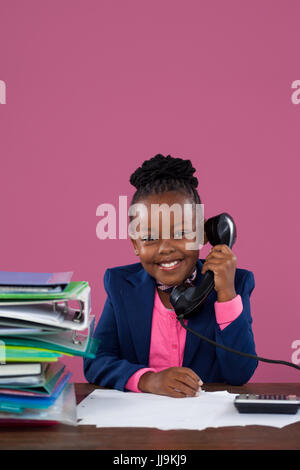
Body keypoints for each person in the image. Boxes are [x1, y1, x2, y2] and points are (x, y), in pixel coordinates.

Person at [84, 154, 257, 397]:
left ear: (203, 234)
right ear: (135, 243)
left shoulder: (236, 283)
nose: (165, 248)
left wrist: (226, 294)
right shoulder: (120, 286)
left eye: (181, 233)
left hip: (208, 428)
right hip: (139, 427)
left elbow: (240, 373)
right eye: (150, 238)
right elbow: (95, 362)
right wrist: (148, 380)